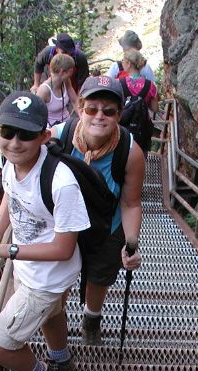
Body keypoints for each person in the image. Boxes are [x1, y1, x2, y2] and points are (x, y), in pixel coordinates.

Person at [0, 91, 90, 371]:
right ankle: (61, 361)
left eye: (25, 135)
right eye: (6, 132)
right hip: (31, 268)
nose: (14, 142)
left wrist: (4, 250)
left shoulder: (61, 182)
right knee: (53, 315)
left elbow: (64, 249)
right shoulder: (11, 160)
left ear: (44, 136)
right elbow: (10, 191)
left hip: (48, 276)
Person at [50, 76, 144, 345]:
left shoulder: (129, 152)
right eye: (92, 109)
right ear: (80, 108)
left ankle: (91, 320)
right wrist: (0, 221)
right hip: (65, 224)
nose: (99, 116)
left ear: (119, 115)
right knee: (59, 279)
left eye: (109, 111)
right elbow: (20, 173)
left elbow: (131, 203)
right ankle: (58, 328)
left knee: (99, 277)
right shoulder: (58, 137)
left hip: (106, 224)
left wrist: (131, 243)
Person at [37, 53, 78, 127]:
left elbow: (75, 101)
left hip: (67, 123)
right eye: (71, 70)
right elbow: (37, 114)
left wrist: (83, 118)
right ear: (62, 72)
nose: (72, 72)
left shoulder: (66, 81)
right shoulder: (44, 90)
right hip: (51, 127)